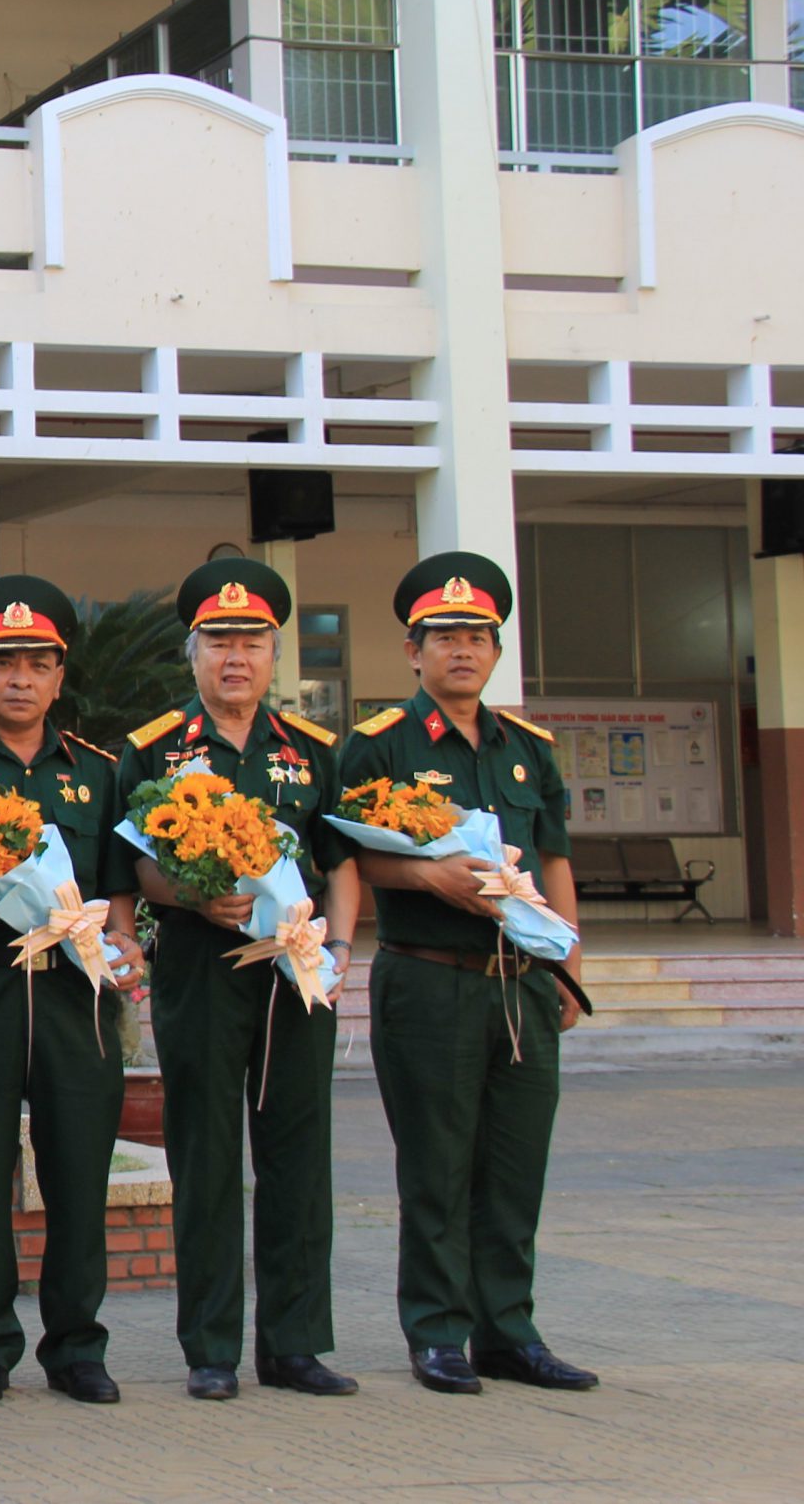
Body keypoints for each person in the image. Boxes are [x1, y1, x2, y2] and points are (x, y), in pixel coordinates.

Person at [337, 553, 595, 1396]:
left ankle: (509, 1330)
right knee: (438, 1165)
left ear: (495, 651)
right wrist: (427, 876)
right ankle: (438, 1331)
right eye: (444, 636)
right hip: (429, 976)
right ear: (413, 651)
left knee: (517, 1165)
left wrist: (569, 959)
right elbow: (349, 859)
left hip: (521, 979)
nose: (462, 650)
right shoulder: (381, 745)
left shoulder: (528, 748)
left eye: (478, 636)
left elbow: (554, 858)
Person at [110, 558, 362, 1401]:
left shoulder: (314, 751)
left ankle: (295, 1343)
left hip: (295, 975)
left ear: (273, 655)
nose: (236, 658)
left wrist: (345, 945)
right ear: (194, 653)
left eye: (252, 641)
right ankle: (211, 1346)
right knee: (208, 1157)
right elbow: (133, 868)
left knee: (297, 1156)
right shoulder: (153, 750)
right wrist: (191, 894)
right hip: (201, 970)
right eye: (219, 640)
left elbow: (344, 859)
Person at [0, 577, 142, 1410]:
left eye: (36, 662)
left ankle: (78, 1345)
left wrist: (126, 948)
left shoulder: (99, 774)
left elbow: (121, 891)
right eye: (1, 661)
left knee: (79, 1171)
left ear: (59, 675)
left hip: (77, 995)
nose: (19, 678)